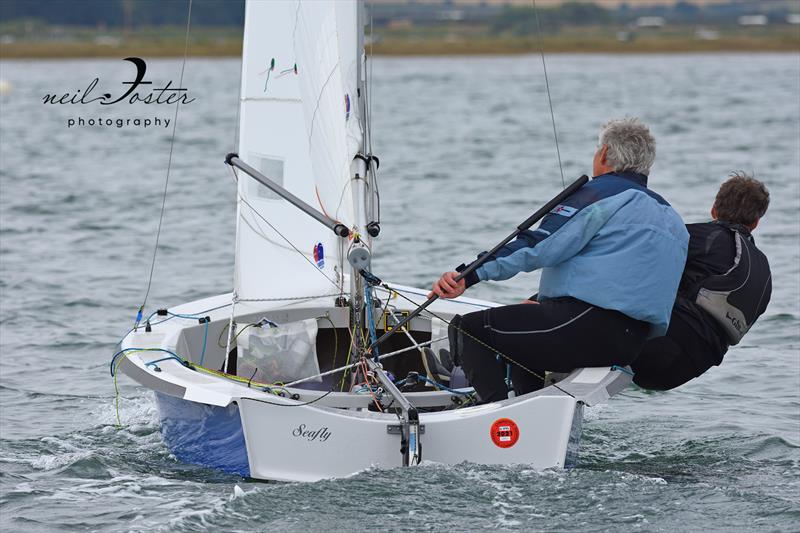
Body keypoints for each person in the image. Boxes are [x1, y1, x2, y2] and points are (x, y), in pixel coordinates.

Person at [429, 118, 689, 402]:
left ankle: (498, 417)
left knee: (467, 330)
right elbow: (620, 273)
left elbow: (539, 245)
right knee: (521, 340)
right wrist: (542, 300)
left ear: (603, 154)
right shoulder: (674, 221)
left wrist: (470, 275)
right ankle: (528, 415)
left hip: (584, 326)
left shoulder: (601, 194)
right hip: (631, 343)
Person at [631, 173, 771, 390]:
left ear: (714, 209)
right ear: (755, 222)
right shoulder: (763, 268)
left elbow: (635, 258)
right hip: (689, 367)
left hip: (658, 347)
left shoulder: (700, 237)